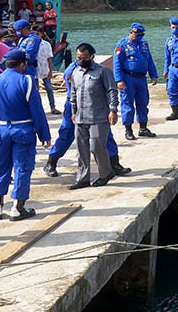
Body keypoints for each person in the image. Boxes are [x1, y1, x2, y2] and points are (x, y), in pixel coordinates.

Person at [0, 49, 51, 221]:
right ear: (22, 65)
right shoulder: (26, 81)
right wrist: (44, 135)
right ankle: (17, 208)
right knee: (22, 168)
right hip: (22, 129)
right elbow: (37, 110)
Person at [44, 59, 130, 178]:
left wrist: (112, 109)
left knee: (105, 135)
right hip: (75, 106)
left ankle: (114, 163)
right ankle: (51, 161)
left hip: (96, 105)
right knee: (67, 134)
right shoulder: (72, 70)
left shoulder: (100, 70)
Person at [68, 43, 119, 189]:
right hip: (80, 117)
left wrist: (113, 110)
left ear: (92, 57)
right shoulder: (75, 72)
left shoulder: (103, 71)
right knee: (81, 149)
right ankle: (83, 178)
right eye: (79, 58)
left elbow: (112, 91)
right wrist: (73, 111)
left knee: (97, 146)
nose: (81, 60)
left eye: (84, 58)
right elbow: (73, 93)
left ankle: (105, 173)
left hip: (98, 116)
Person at [113, 23, 158, 140]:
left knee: (143, 102)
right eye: (136, 35)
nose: (138, 37)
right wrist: (119, 80)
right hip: (128, 78)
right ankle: (128, 130)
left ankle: (143, 128)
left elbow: (149, 60)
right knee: (127, 104)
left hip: (141, 78)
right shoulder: (122, 45)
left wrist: (153, 74)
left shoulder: (144, 44)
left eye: (140, 35)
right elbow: (117, 64)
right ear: (131, 33)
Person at [35, 26, 60, 114]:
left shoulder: (46, 44)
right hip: (35, 70)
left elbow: (49, 58)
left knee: (49, 89)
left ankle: (53, 107)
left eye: (37, 34)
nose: (36, 36)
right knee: (36, 90)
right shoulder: (30, 44)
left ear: (42, 34)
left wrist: (50, 71)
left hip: (45, 69)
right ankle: (38, 108)